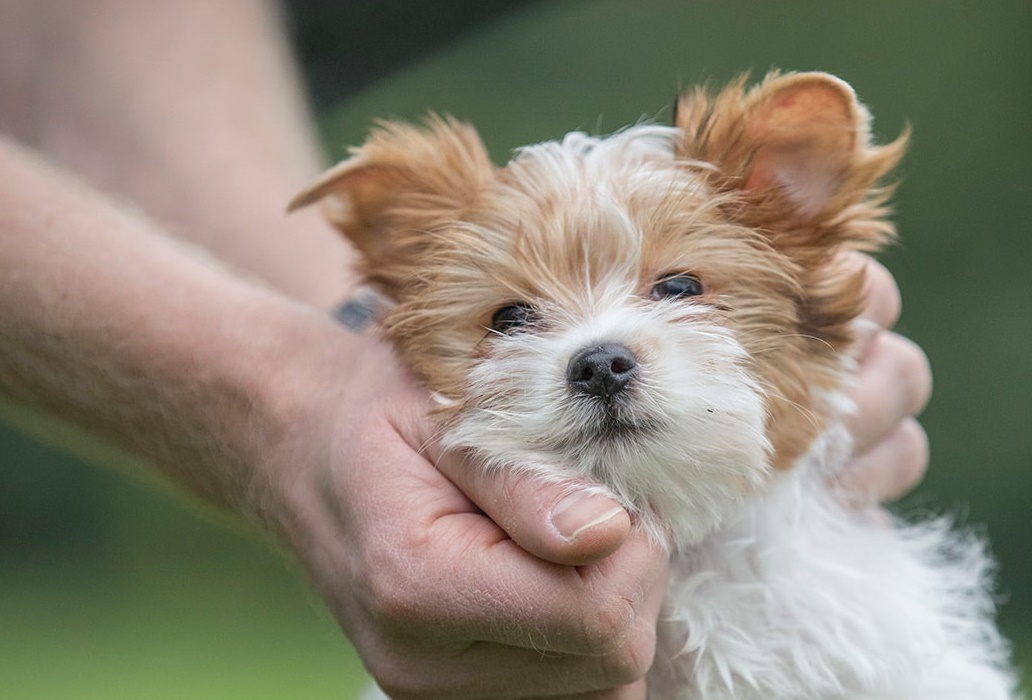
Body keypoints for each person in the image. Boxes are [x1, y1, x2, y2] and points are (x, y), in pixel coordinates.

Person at [0, 1, 932, 697]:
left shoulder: (881, 634)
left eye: (678, 289)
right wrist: (290, 403)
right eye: (514, 319)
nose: (601, 350)